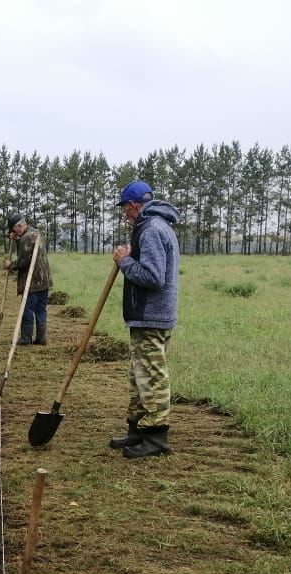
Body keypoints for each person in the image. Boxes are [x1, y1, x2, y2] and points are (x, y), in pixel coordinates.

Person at [109, 180, 179, 459]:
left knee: (151, 376)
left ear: (134, 206)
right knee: (139, 375)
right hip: (148, 316)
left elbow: (152, 276)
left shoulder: (151, 230)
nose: (125, 215)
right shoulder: (157, 227)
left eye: (125, 209)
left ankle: (156, 438)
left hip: (152, 315)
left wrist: (124, 261)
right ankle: (137, 430)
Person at [4, 213, 51, 345]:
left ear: (19, 225)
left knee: (27, 309)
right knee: (41, 309)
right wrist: (17, 240)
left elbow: (23, 262)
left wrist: (10, 265)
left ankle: (26, 338)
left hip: (33, 281)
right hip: (44, 280)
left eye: (14, 230)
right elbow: (30, 253)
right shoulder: (36, 233)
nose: (14, 232)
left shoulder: (26, 238)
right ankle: (41, 338)